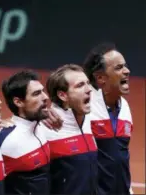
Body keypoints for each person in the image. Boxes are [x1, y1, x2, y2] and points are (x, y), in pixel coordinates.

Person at [83, 42, 133, 195]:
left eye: (125, 66)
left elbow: (121, 157)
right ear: (100, 78)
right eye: (119, 68)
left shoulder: (124, 106)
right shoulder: (84, 107)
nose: (127, 71)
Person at [44, 64, 98, 195]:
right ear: (63, 95)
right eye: (80, 85)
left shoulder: (88, 119)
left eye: (88, 83)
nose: (89, 89)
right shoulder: (45, 127)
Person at [0, 70, 51, 195]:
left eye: (43, 91)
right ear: (18, 102)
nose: (45, 97)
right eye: (37, 94)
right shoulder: (3, 139)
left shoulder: (44, 127)